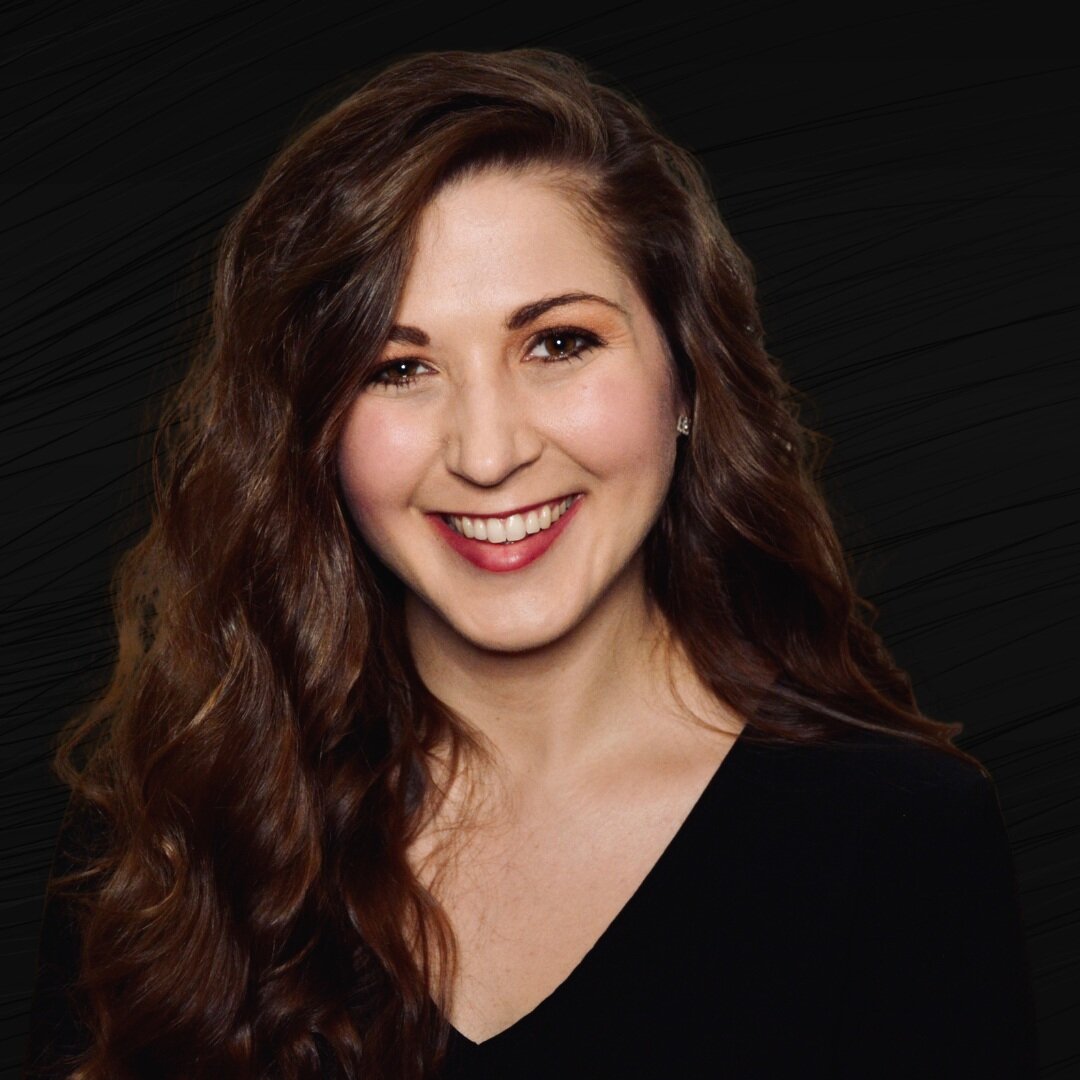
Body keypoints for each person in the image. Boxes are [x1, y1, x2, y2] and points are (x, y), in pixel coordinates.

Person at [25, 48, 1039, 1080]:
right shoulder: (170, 824)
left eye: (557, 343)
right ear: (313, 432)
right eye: (399, 367)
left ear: (689, 376)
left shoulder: (901, 835)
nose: (488, 452)